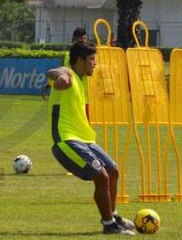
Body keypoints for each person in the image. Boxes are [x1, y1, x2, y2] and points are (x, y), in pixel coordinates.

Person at [46, 42, 135, 235]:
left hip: (85, 139)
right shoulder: (68, 74)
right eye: (92, 60)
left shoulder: (81, 79)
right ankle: (109, 225)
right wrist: (60, 77)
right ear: (79, 61)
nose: (95, 64)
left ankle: (114, 216)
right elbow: (54, 72)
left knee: (113, 172)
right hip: (66, 140)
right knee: (101, 176)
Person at [41, 27, 87, 100]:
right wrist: (49, 85)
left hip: (85, 98)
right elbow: (60, 72)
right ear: (73, 41)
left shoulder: (90, 58)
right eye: (79, 43)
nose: (81, 45)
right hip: (68, 97)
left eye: (83, 42)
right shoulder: (66, 56)